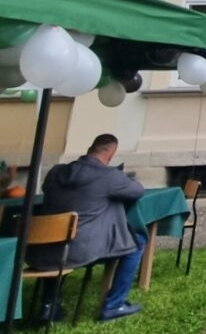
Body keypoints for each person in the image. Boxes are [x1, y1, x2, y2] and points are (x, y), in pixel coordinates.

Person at [31, 133, 146, 322]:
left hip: (42, 250)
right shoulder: (109, 176)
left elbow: (46, 190)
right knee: (137, 243)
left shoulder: (55, 172)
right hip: (81, 251)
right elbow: (137, 191)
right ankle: (114, 305)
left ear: (90, 149)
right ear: (110, 154)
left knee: (58, 247)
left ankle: (49, 305)